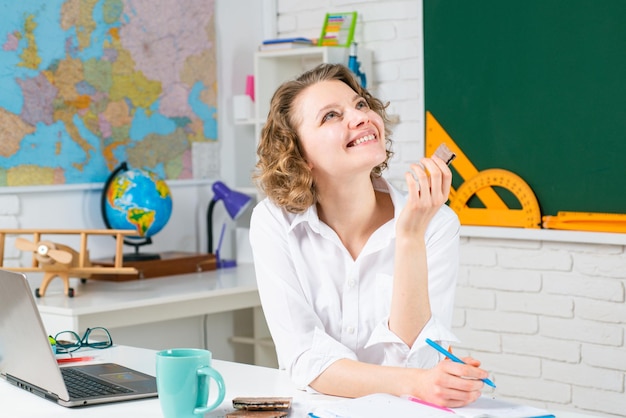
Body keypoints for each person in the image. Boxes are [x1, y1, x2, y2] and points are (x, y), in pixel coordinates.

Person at [249, 63, 489, 408]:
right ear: (299, 153)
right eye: (331, 116)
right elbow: (304, 358)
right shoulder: (274, 222)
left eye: (360, 104)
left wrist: (409, 236)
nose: (361, 116)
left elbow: (416, 360)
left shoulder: (435, 224)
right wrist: (419, 383)